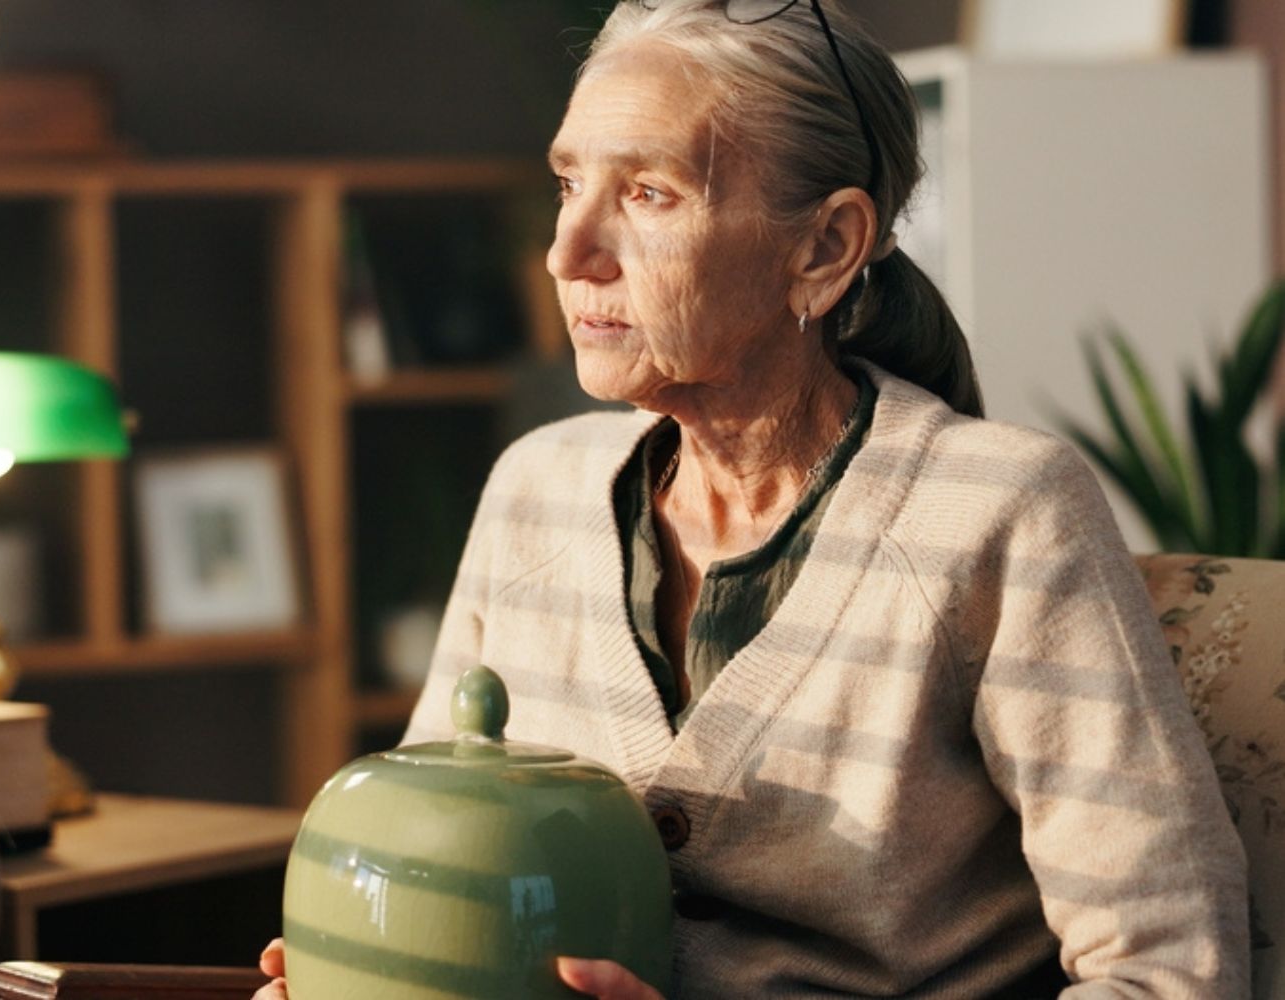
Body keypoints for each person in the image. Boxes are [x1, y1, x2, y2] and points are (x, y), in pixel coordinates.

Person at [257, 0, 1249, 995]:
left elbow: (1169, 970)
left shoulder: (1004, 512)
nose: (568, 252)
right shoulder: (538, 489)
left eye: (648, 192)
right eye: (568, 182)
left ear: (822, 248)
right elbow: (437, 858)